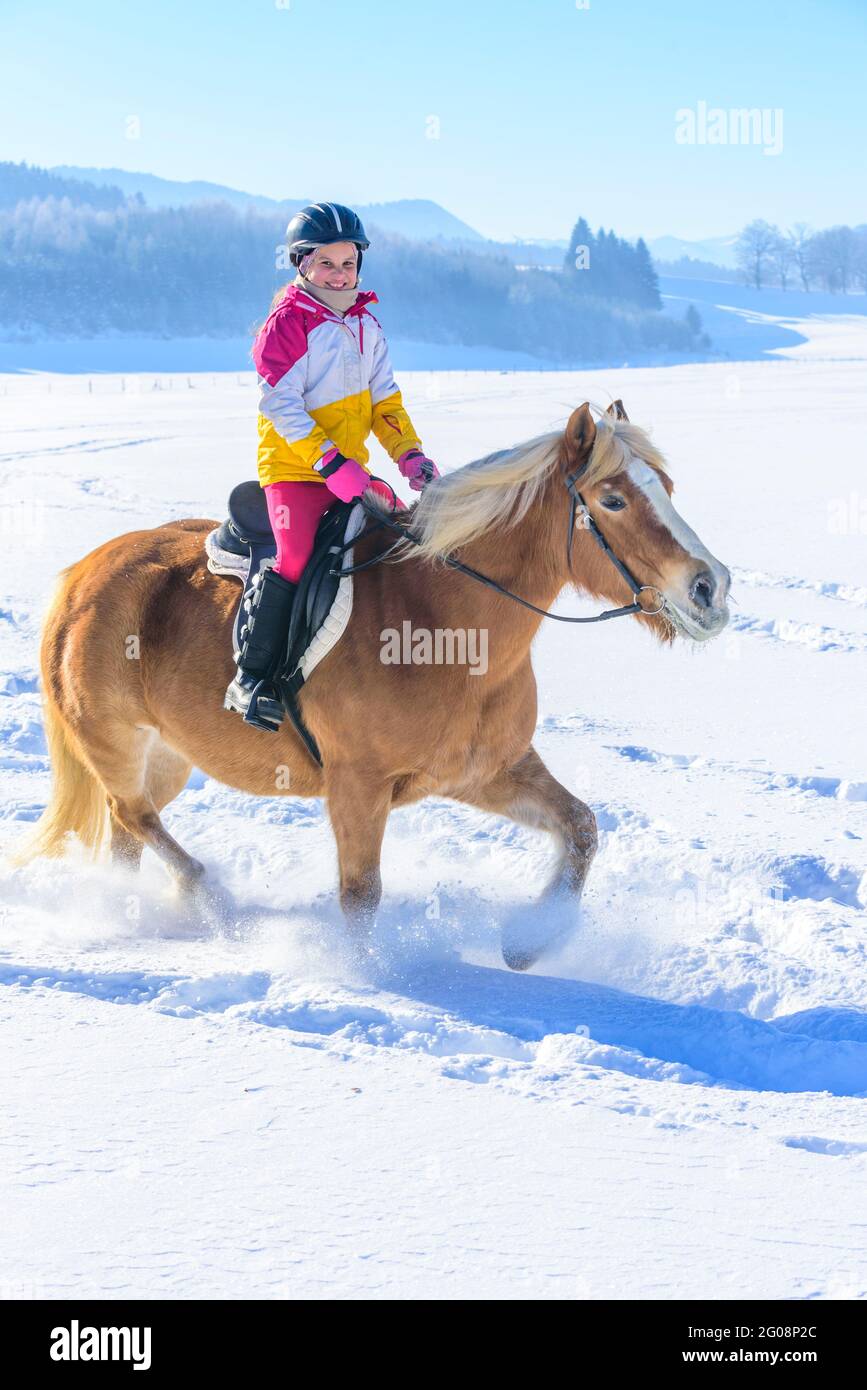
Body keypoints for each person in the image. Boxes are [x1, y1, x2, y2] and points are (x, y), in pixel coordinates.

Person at [224, 202, 439, 731]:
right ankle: (253, 679)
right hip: (294, 470)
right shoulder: (286, 323)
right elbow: (281, 405)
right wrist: (329, 461)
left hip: (350, 470)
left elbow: (385, 403)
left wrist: (409, 455)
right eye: (326, 263)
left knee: (397, 540)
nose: (339, 274)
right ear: (301, 264)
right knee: (295, 557)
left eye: (347, 263)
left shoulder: (366, 324)